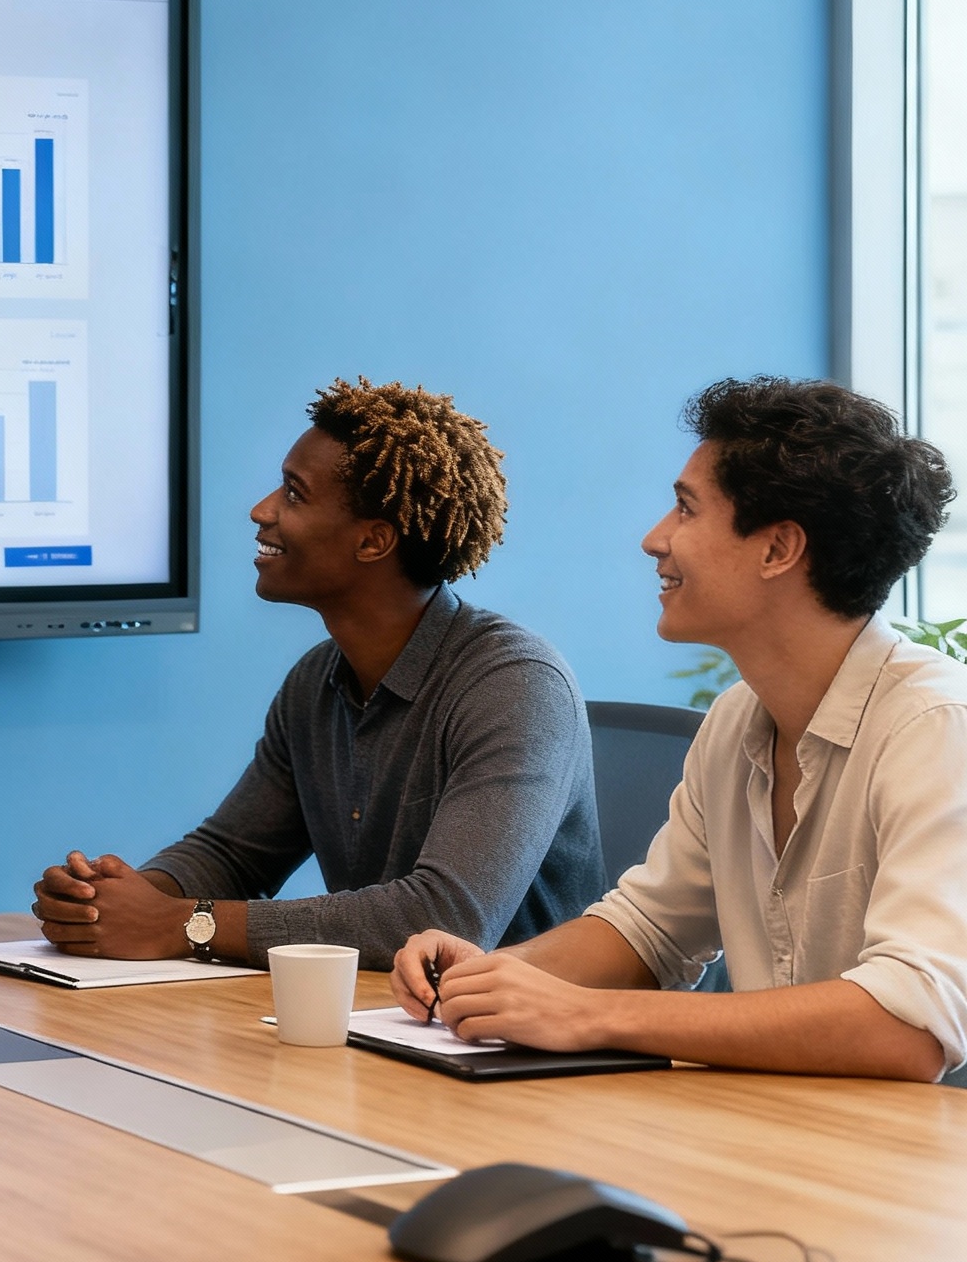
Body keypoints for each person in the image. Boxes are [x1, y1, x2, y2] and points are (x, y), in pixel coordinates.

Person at [391, 377, 967, 1081]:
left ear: (777, 548)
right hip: (780, 1132)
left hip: (913, 1172)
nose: (654, 538)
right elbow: (648, 930)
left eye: (686, 508)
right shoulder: (738, 720)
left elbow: (907, 1028)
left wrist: (585, 1015)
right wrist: (488, 980)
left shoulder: (936, 726)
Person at [33, 379, 606, 969]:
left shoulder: (515, 686)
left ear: (374, 540)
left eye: (294, 494)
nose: (262, 511)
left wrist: (184, 924)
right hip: (392, 1021)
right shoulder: (317, 681)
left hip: (518, 1046)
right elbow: (234, 854)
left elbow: (442, 918)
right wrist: (112, 901)